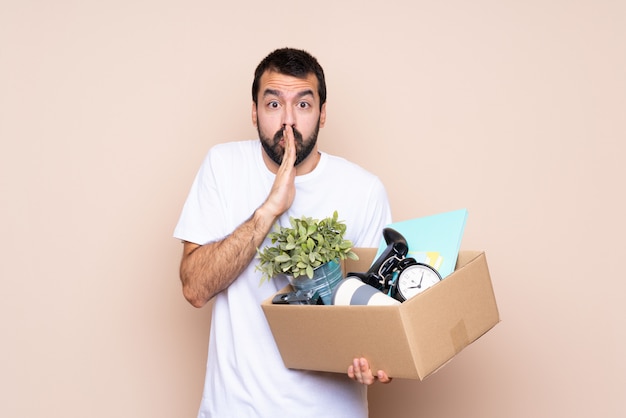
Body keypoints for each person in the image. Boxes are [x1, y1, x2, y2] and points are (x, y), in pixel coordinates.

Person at [174, 47, 392, 418]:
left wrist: (378, 358)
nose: (288, 121)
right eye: (273, 105)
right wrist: (271, 207)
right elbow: (195, 288)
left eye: (303, 105)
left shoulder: (363, 189)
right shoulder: (223, 166)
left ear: (322, 114)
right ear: (254, 112)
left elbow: (378, 314)